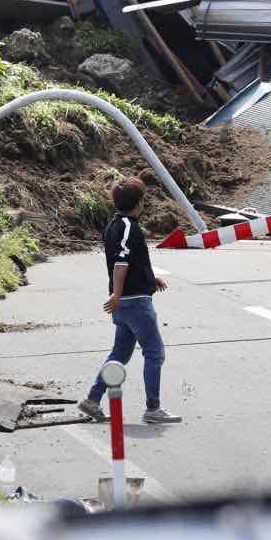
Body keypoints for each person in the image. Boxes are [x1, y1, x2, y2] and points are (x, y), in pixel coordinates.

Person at [77, 177, 183, 424]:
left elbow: (129, 262)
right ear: (139, 202)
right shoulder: (128, 227)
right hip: (134, 302)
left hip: (126, 302)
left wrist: (149, 278)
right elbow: (121, 262)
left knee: (121, 353)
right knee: (154, 353)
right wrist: (117, 292)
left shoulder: (113, 226)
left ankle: (92, 400)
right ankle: (153, 409)